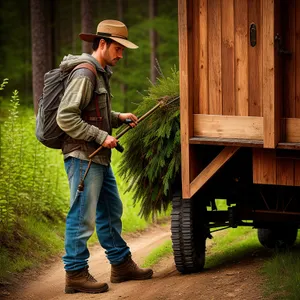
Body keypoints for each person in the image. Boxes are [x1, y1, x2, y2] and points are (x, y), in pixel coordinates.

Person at [56, 19, 153, 294]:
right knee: (82, 215)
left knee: (111, 210)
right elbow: (66, 117)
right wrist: (101, 136)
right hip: (83, 156)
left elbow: (92, 113)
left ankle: (121, 265)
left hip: (97, 156)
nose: (121, 55)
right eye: (118, 49)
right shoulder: (85, 74)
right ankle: (75, 273)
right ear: (102, 44)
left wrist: (118, 118)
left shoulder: (99, 74)